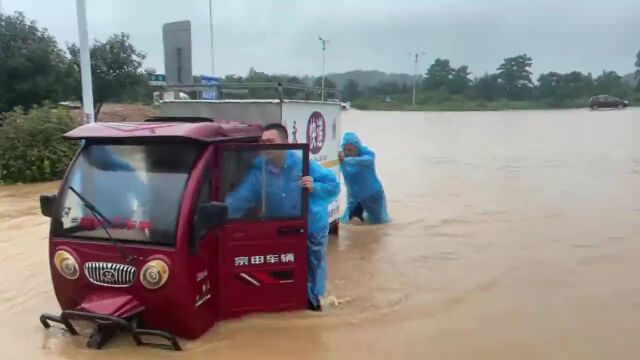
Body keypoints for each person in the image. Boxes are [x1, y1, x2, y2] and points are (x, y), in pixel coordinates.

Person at [225, 123, 340, 311]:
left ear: (286, 143)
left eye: (271, 142)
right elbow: (240, 198)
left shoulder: (303, 164)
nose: (266, 147)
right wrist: (220, 214)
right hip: (281, 230)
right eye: (262, 143)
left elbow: (333, 186)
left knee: (313, 267)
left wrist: (315, 187)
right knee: (283, 270)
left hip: (311, 227)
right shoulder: (259, 171)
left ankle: (314, 301)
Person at [339, 132, 389, 224]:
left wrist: (346, 160)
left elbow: (368, 159)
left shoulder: (366, 156)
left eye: (350, 150)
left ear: (357, 148)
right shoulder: (341, 159)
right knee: (353, 223)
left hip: (373, 196)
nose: (346, 153)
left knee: (378, 224)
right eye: (344, 149)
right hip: (355, 198)